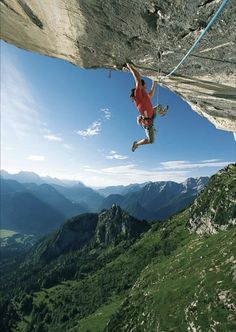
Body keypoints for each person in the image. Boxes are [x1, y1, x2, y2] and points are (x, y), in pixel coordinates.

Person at [127, 63, 158, 152]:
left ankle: (162, 112)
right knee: (151, 141)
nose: (146, 86)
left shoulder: (145, 95)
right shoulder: (138, 94)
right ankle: (136, 144)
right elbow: (137, 79)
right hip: (148, 122)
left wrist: (154, 83)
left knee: (158, 107)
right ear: (142, 86)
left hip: (153, 113)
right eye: (145, 85)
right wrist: (130, 67)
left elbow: (151, 93)